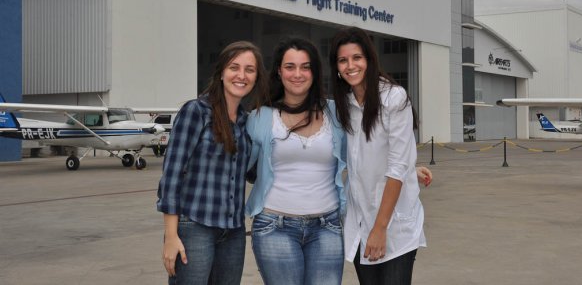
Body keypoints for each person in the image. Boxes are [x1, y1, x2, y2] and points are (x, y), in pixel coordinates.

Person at [156, 41, 268, 285]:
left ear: (256, 77)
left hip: (233, 232)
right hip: (195, 227)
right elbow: (172, 175)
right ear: (221, 73)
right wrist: (171, 236)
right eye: (234, 67)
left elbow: (252, 173)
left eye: (250, 70)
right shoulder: (196, 112)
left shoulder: (246, 122)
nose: (241, 75)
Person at [245, 37, 347, 285]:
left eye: (305, 66)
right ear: (279, 71)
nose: (298, 74)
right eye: (290, 67)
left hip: (327, 226)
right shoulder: (260, 116)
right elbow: (240, 166)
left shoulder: (336, 113)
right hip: (274, 226)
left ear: (314, 72)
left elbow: (366, 150)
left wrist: (409, 169)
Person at [329, 27, 426, 285]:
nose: (351, 65)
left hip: (393, 224)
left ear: (369, 60)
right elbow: (354, 159)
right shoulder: (343, 105)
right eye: (343, 60)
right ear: (337, 67)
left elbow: (397, 167)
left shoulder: (394, 98)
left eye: (357, 58)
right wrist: (413, 170)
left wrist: (380, 229)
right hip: (360, 221)